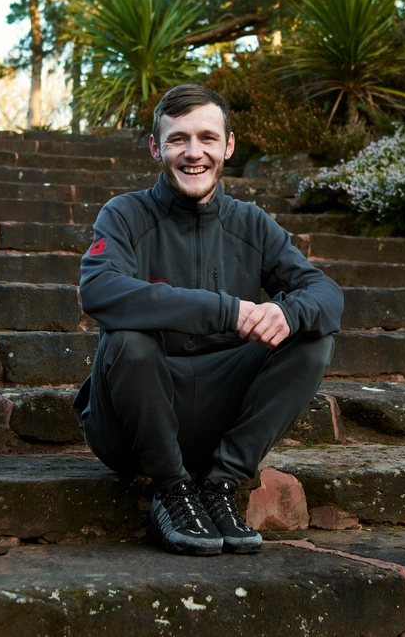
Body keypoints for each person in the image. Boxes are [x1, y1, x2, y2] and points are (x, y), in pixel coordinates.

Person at [73, 84, 344, 556]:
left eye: (207, 138)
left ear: (228, 146)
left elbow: (326, 293)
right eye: (178, 139)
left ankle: (222, 485)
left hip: (219, 410)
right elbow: (98, 289)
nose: (193, 153)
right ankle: (171, 491)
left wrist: (285, 310)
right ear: (156, 147)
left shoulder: (252, 223)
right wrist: (226, 310)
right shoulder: (124, 215)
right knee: (129, 339)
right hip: (131, 427)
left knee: (312, 336)